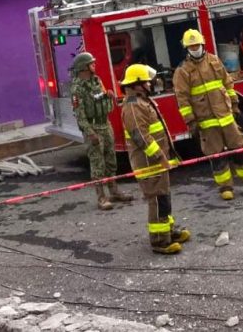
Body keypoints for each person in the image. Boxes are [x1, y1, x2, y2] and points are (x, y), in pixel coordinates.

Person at [173, 29, 243, 200]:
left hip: (226, 116)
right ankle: (225, 188)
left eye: (197, 45)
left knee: (240, 149)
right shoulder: (182, 71)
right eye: (191, 46)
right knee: (216, 155)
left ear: (203, 44)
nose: (195, 48)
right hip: (206, 120)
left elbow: (227, 83)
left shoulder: (214, 60)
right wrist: (190, 121)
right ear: (186, 48)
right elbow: (182, 99)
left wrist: (235, 106)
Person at [120, 63, 190, 255]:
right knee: (157, 200)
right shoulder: (133, 107)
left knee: (164, 196)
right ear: (136, 84)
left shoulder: (142, 101)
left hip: (155, 162)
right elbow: (140, 137)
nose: (150, 85)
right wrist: (160, 156)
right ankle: (160, 241)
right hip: (149, 163)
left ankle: (168, 231)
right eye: (146, 82)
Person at [68, 52, 133, 211]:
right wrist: (90, 133)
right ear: (84, 67)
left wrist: (110, 97)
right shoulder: (77, 89)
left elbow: (105, 104)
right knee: (97, 163)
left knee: (111, 160)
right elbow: (80, 115)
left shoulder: (97, 81)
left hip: (105, 124)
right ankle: (101, 197)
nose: (94, 65)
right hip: (93, 128)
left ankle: (114, 191)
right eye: (91, 63)